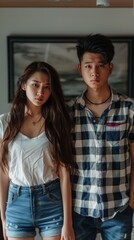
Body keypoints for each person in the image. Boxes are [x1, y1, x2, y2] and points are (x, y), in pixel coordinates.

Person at [67, 34, 134, 240]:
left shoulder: (128, 108)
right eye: (88, 66)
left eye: (100, 65)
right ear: (80, 69)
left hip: (118, 208)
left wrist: (132, 201)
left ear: (110, 68)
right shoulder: (68, 112)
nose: (94, 72)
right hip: (79, 208)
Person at [0, 61, 75, 240]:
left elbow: (64, 173)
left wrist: (68, 224)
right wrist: (2, 217)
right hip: (17, 202)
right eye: (35, 85)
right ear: (24, 85)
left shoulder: (57, 123)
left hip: (51, 200)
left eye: (47, 87)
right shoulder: (5, 123)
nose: (41, 92)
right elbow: (3, 173)